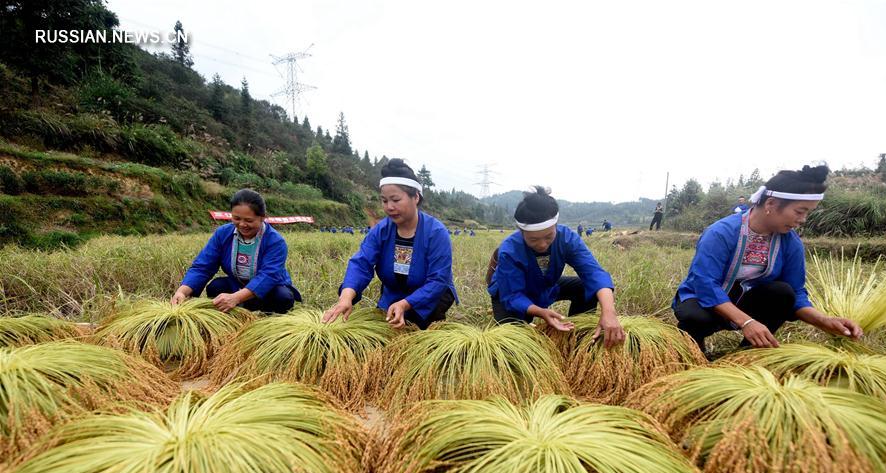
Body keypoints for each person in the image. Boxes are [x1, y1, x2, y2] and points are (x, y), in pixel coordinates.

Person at [673, 165, 863, 353]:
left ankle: (745, 355)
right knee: (695, 317)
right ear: (771, 204)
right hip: (705, 303)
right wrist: (746, 321)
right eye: (799, 211)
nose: (803, 219)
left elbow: (796, 292)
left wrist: (823, 320)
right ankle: (692, 343)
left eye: (807, 213)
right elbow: (705, 283)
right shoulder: (721, 233)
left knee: (783, 293)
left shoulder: (790, 241)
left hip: (746, 301)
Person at [323, 158, 458, 329]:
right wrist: (346, 297)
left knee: (416, 331)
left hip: (430, 296)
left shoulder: (436, 233)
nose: (389, 207)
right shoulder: (381, 231)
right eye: (384, 201)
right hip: (394, 293)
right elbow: (361, 263)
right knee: (384, 330)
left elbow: (438, 280)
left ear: (415, 197)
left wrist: (405, 304)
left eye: (395, 199)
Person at [486, 186, 625, 347]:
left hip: (545, 286)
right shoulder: (510, 250)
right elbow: (512, 295)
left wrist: (609, 311)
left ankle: (576, 337)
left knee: (583, 287)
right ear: (521, 232)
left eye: (548, 236)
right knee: (513, 345)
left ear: (556, 226)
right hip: (510, 294)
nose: (542, 244)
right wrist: (541, 312)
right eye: (533, 240)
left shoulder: (567, 238)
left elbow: (593, 273)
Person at [171, 189, 301, 314]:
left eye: (249, 220)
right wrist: (182, 291)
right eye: (236, 219)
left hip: (268, 290)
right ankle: (237, 312)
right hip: (237, 285)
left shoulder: (275, 241)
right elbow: (203, 266)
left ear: (262, 217)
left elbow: (269, 276)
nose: (242, 224)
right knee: (215, 287)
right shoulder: (223, 234)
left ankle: (265, 316)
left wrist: (236, 298)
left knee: (282, 297)